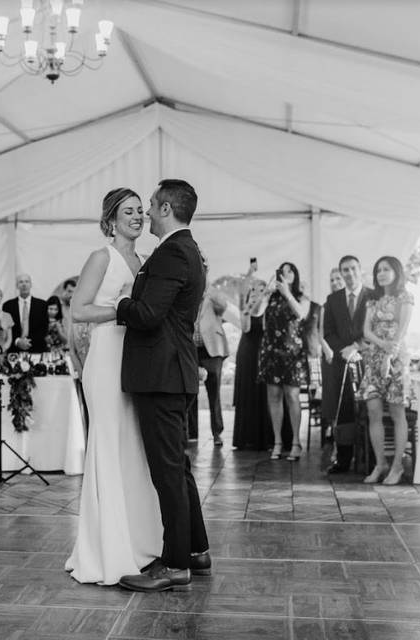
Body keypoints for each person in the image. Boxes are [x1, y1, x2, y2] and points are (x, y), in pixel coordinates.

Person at [115, 179, 210, 593]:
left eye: (152, 205)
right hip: (174, 374)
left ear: (168, 208)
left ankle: (174, 565)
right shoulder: (186, 250)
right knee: (179, 470)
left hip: (162, 376)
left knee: (167, 473)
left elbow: (149, 314)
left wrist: (121, 302)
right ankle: (196, 550)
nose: (147, 212)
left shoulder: (172, 252)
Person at [65, 188, 163, 586]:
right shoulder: (101, 257)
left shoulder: (142, 260)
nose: (138, 217)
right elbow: (79, 310)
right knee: (107, 445)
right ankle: (107, 549)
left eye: (141, 211)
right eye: (129, 211)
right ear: (111, 220)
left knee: (132, 448)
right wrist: (122, 310)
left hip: (135, 361)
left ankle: (139, 542)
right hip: (106, 361)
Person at [359, 256, 414, 485]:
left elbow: (402, 330)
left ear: (396, 272)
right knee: (373, 410)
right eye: (378, 270)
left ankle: (397, 466)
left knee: (396, 412)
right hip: (374, 358)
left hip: (397, 359)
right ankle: (380, 463)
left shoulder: (405, 297)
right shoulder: (373, 300)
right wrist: (381, 349)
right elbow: (366, 331)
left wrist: (390, 356)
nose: (381, 273)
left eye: (386, 269)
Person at [322, 255, 372, 474]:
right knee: (344, 411)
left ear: (360, 270)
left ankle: (369, 458)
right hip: (341, 363)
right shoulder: (332, 300)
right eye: (345, 270)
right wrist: (345, 351)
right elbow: (329, 332)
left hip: (367, 361)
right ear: (341, 273)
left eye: (353, 268)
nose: (349, 273)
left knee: (368, 410)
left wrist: (357, 347)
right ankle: (343, 460)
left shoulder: (373, 295)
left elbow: (378, 328)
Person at [257, 262, 310, 461]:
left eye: (290, 271)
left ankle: (296, 442)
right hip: (271, 351)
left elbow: (301, 314)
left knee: (292, 396)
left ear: (295, 276)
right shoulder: (271, 297)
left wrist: (287, 293)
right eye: (282, 271)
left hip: (292, 353)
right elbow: (256, 313)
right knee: (274, 396)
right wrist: (266, 293)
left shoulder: (300, 297)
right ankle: (278, 442)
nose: (285, 274)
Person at [231, 279, 291, 450]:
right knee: (250, 392)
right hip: (249, 353)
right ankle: (249, 437)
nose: (257, 291)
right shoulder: (247, 308)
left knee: (270, 394)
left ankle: (273, 437)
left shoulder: (272, 307)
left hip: (269, 353)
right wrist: (250, 306)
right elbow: (246, 328)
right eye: (254, 289)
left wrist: (265, 301)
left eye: (261, 288)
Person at [190, 288, 230, 446]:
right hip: (192, 350)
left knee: (214, 394)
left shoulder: (213, 296)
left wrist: (210, 293)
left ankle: (217, 433)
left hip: (212, 351)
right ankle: (192, 433)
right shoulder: (188, 294)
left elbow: (223, 307)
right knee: (191, 392)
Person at [2, 273, 49, 353]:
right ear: (17, 286)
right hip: (15, 350)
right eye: (21, 282)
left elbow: (44, 329)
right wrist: (18, 341)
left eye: (27, 282)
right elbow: (7, 329)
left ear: (31, 285)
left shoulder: (42, 304)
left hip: (37, 349)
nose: (24, 284)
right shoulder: (8, 305)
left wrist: (27, 342)